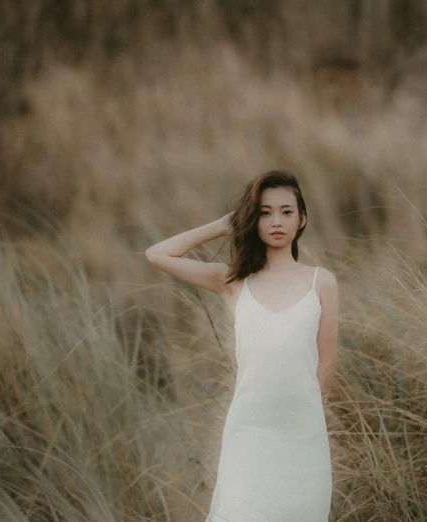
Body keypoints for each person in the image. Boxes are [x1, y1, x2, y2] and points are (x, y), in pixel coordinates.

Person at [145, 169, 338, 521]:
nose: (276, 221)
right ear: (253, 220)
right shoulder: (232, 280)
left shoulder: (321, 282)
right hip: (248, 434)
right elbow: (158, 254)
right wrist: (221, 225)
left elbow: (327, 361)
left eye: (286, 211)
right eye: (264, 213)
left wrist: (304, 411)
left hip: (304, 437)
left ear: (302, 219)